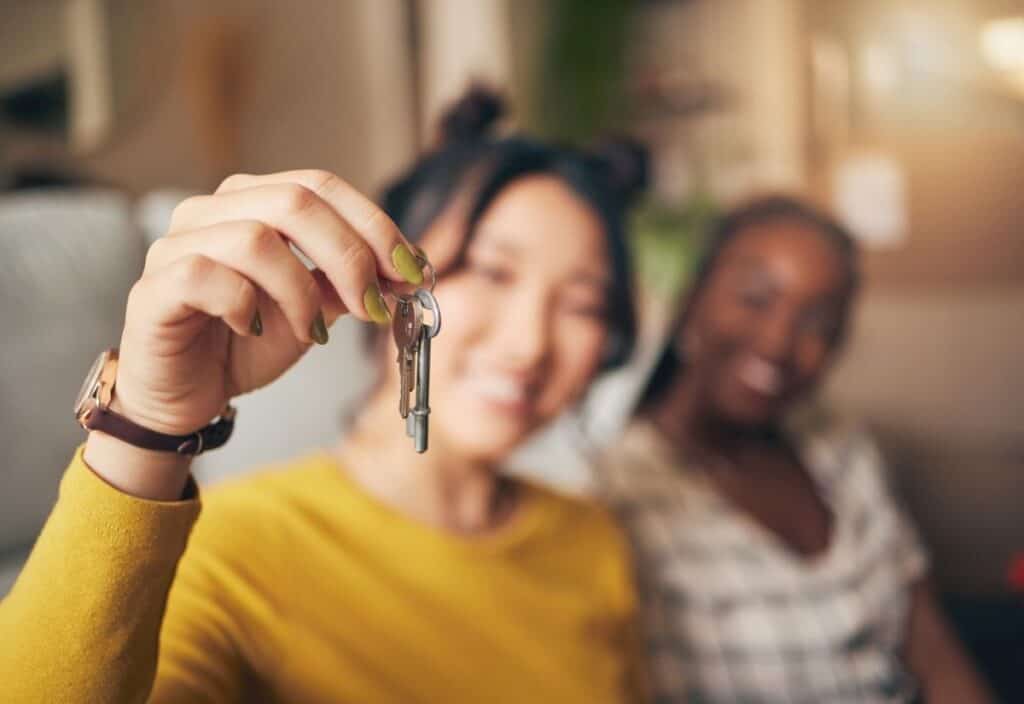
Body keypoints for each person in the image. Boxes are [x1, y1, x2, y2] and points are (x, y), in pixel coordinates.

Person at [0, 90, 649, 703]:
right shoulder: (232, 543)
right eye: (491, 271)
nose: (531, 343)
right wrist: (149, 427)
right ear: (398, 282)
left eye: (584, 305)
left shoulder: (591, 539)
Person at [599, 196, 993, 703]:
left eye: (818, 323)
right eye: (755, 299)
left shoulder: (843, 454)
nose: (779, 341)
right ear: (692, 300)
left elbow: (936, 658)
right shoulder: (617, 491)